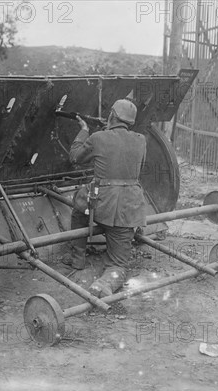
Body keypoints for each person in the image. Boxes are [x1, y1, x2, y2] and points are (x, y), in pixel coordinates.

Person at [61, 98, 147, 297]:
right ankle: (106, 283)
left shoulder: (98, 137)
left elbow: (74, 158)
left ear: (112, 116)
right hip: (129, 209)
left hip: (101, 205)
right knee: (118, 263)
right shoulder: (141, 139)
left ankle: (78, 257)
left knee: (79, 204)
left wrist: (84, 130)